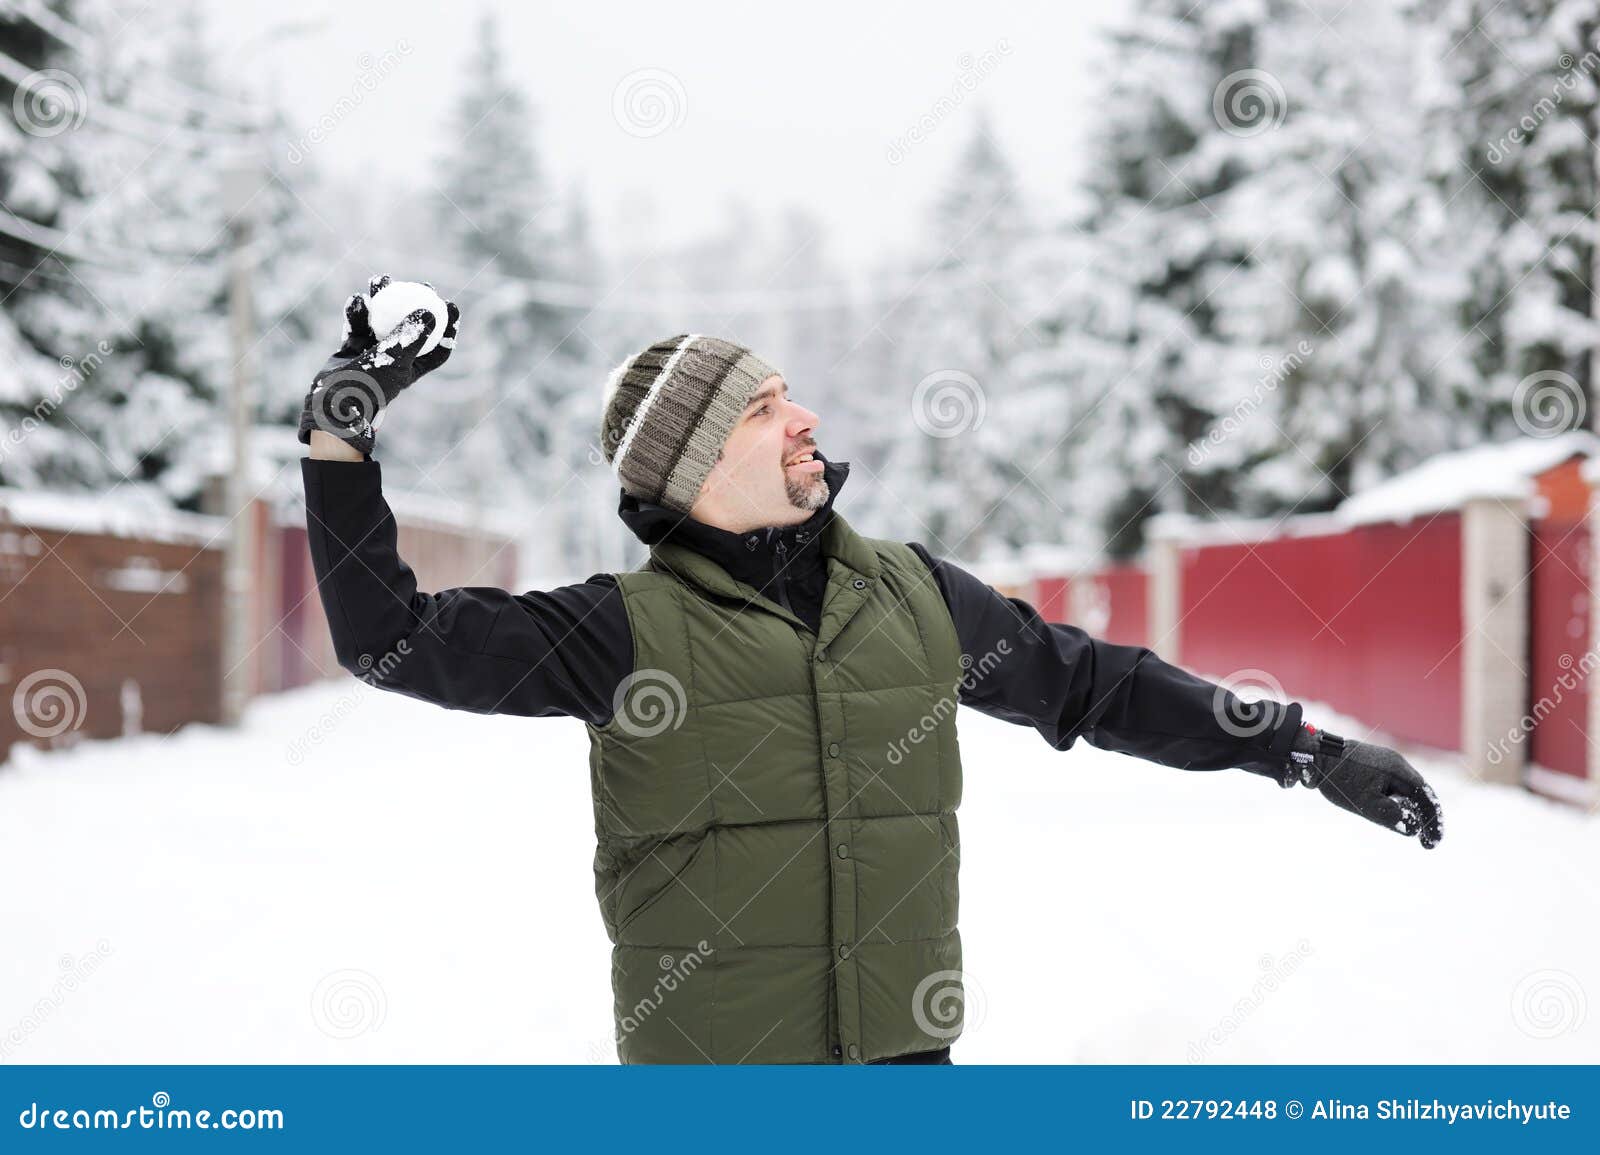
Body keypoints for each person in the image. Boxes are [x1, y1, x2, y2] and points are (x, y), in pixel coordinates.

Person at [297, 279, 1445, 1066]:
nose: (802, 416)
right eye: (760, 407)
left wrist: (1302, 748)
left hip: (908, 1063)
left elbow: (1097, 686)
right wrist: (343, 431)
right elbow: (388, 636)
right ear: (693, 467)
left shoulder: (911, 595)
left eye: (787, 391)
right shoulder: (619, 632)